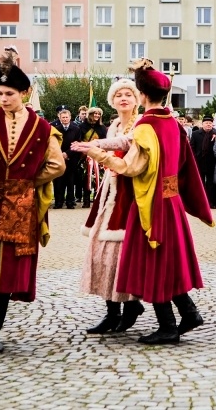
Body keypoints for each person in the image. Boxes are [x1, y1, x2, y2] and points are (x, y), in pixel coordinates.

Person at [85, 60, 213, 345]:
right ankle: (189, 312)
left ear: (142, 96)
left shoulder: (146, 126)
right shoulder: (173, 123)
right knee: (169, 261)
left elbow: (131, 167)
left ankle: (168, 326)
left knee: (152, 262)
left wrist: (98, 154)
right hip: (172, 201)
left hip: (151, 204)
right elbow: (183, 163)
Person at [0, 48, 66, 353]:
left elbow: (57, 165)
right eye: (0, 93)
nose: (3, 99)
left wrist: (29, 182)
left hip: (20, 205)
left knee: (6, 272)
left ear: (24, 93)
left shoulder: (44, 129)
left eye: (9, 93)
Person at [72, 79, 145, 334]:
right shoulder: (113, 124)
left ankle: (130, 304)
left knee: (124, 251)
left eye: (128, 94)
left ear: (136, 100)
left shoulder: (141, 124)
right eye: (118, 95)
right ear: (112, 101)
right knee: (103, 250)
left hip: (132, 190)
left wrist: (97, 145)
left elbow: (126, 144)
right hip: (111, 188)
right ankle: (112, 311)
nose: (123, 98)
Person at [77, 107, 108, 208]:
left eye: (99, 114)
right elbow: (79, 139)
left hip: (98, 156)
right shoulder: (81, 127)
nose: (97, 116)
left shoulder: (102, 128)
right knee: (86, 178)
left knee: (98, 178)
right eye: (95, 114)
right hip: (85, 156)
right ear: (90, 114)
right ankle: (86, 200)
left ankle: (97, 200)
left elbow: (105, 142)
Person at [52, 108, 82, 209]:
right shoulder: (55, 129)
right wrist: (60, 154)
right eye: (63, 117)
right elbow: (53, 143)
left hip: (71, 158)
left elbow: (77, 143)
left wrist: (67, 154)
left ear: (70, 118)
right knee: (58, 182)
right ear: (59, 118)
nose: (65, 119)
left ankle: (70, 202)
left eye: (66, 117)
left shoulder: (76, 129)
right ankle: (58, 202)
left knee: (70, 181)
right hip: (58, 158)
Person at [189, 115, 216, 208]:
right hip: (199, 161)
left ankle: (212, 202)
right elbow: (192, 147)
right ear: (202, 124)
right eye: (206, 123)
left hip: (212, 162)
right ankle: (199, 202)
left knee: (212, 184)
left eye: (210, 123)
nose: (208, 125)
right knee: (199, 183)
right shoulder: (195, 134)